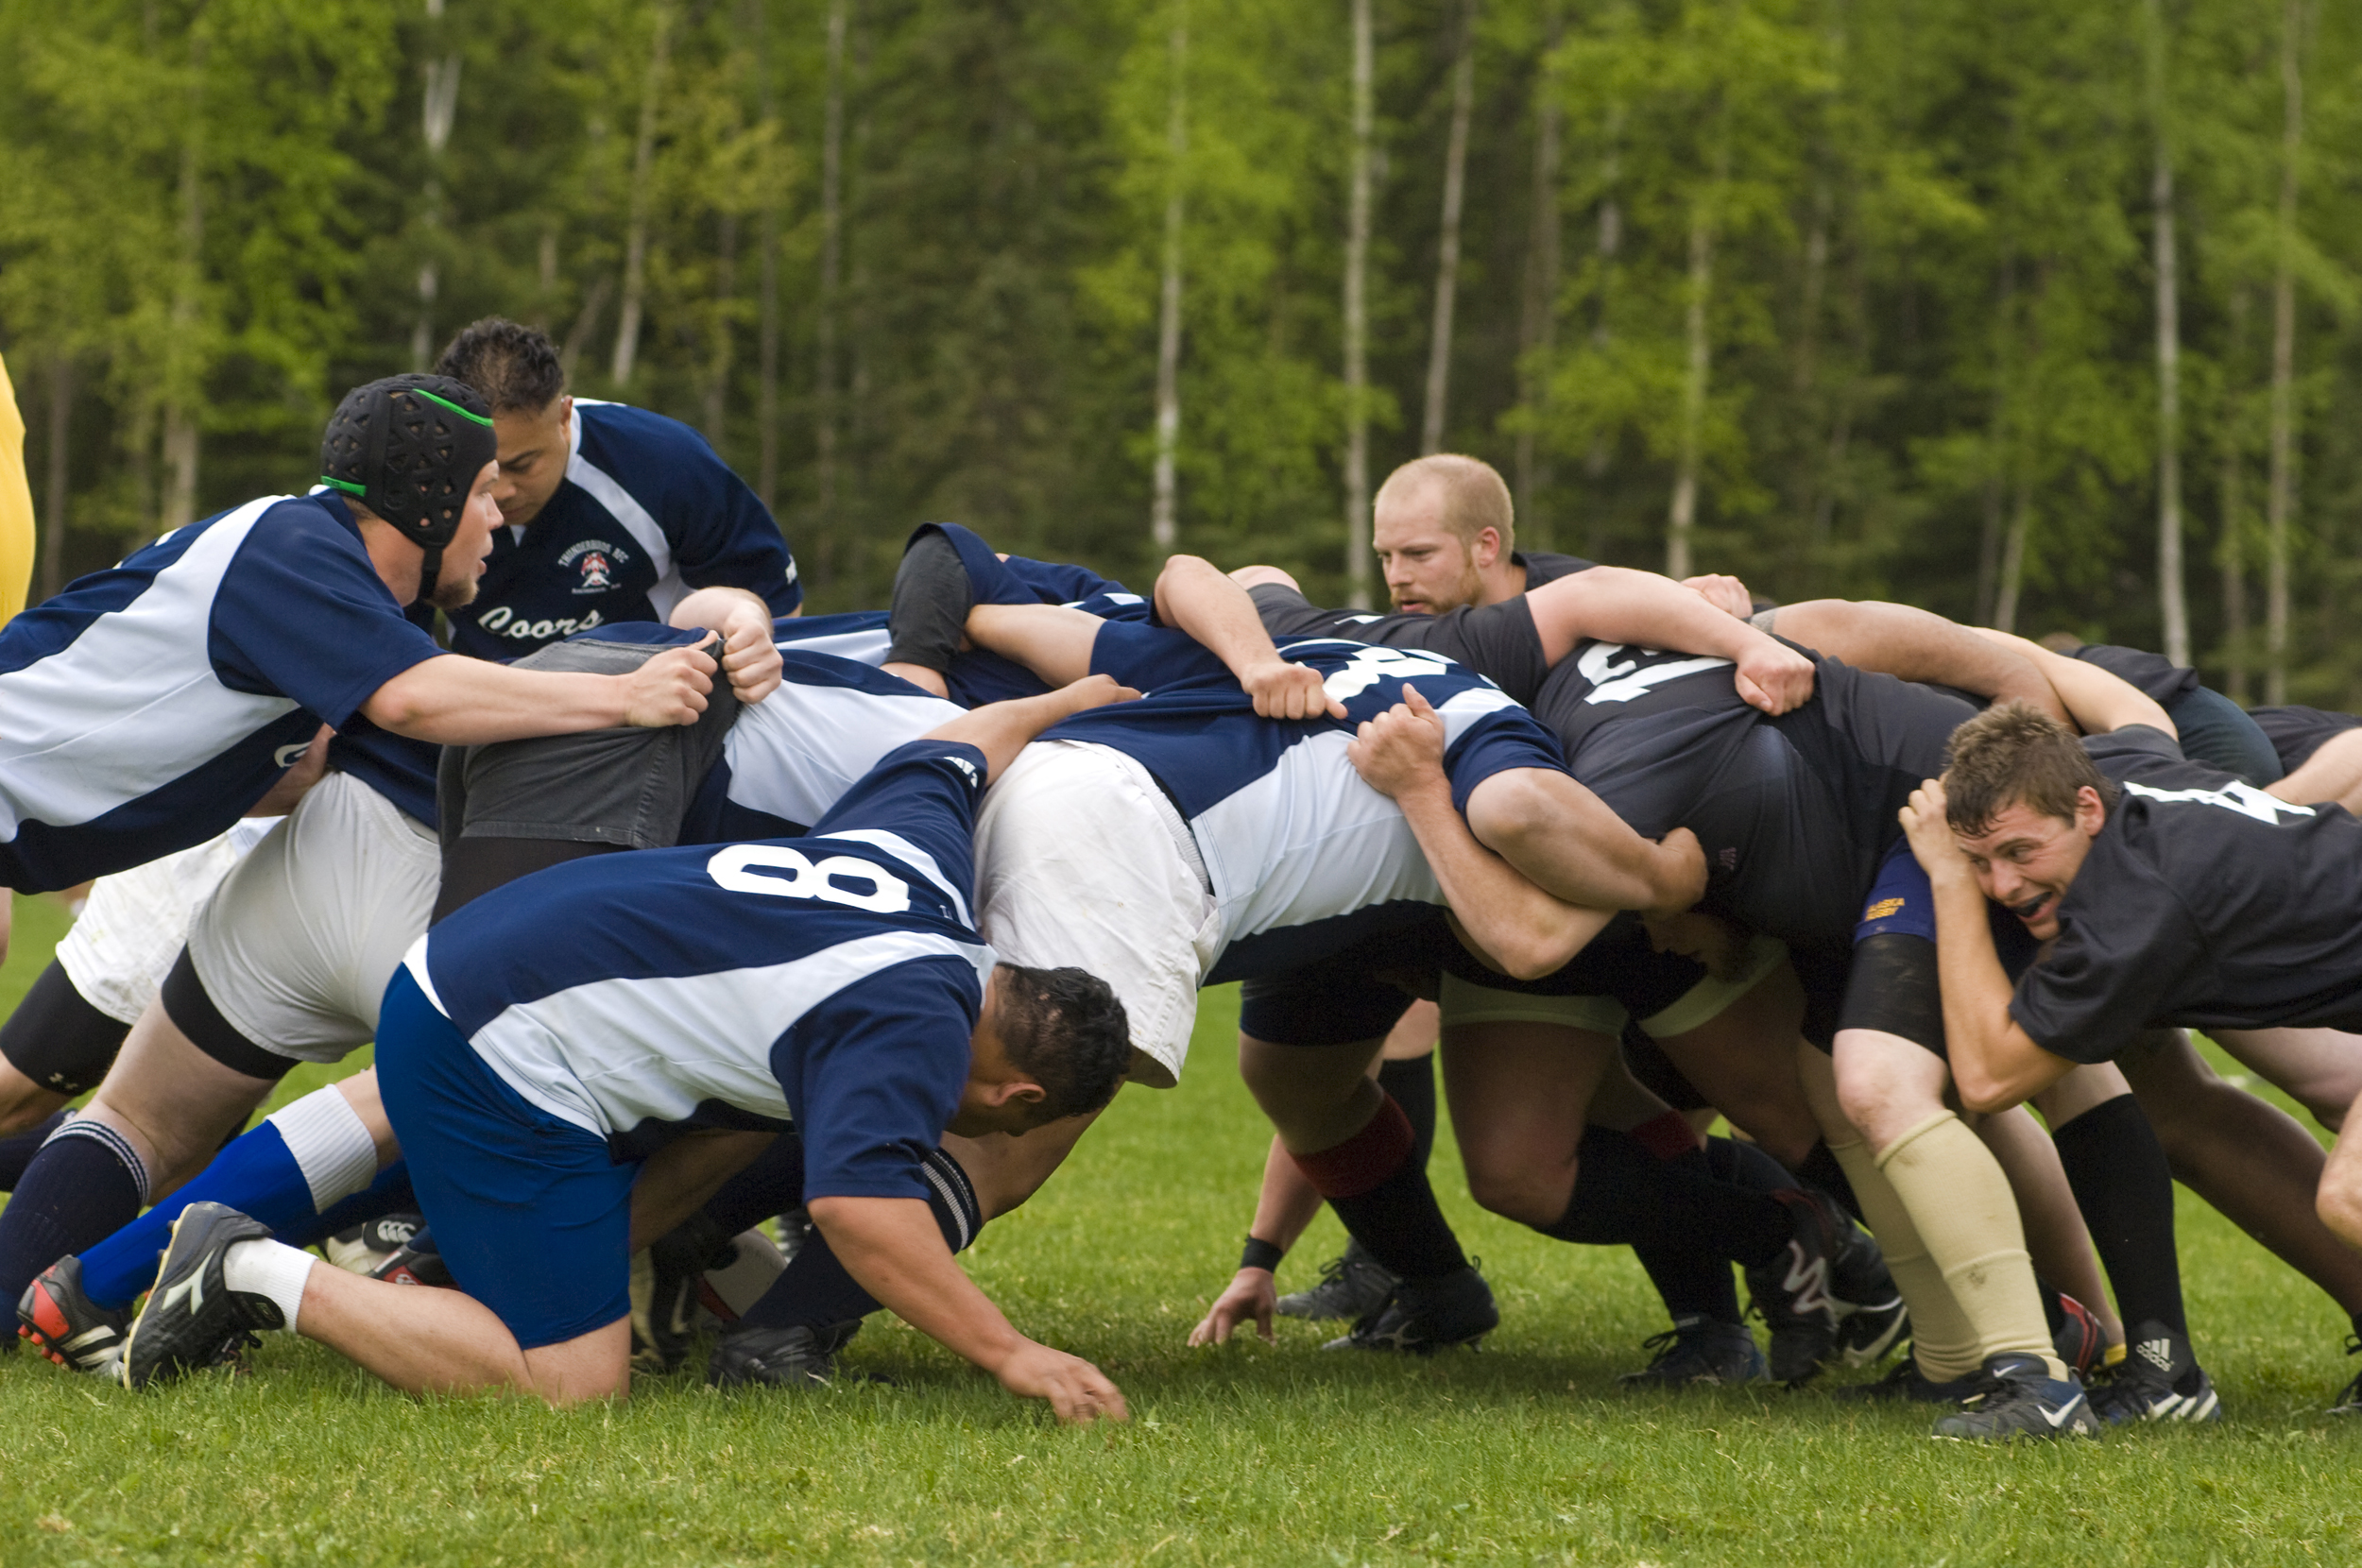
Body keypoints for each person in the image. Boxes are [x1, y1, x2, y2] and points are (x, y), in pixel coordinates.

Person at [111, 683, 1138, 1418]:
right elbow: (862, 1213)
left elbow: (963, 740)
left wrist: (1074, 697)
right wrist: (1016, 1355)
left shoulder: (926, 879)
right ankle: (246, 1268)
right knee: (571, 1382)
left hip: (491, 958)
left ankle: (443, 1278)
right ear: (1017, 1093)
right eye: (997, 1124)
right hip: (493, 1046)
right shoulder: (915, 1030)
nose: (962, 1129)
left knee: (745, 1119)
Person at [0, 375, 719, 1355]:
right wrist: (624, 696)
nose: (498, 521)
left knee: (145, 1116)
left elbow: (260, 759)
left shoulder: (309, 565)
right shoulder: (296, 552)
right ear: (426, 504)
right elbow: (414, 699)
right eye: (481, 495)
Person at [1897, 696, 2362, 1414]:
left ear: (2086, 809)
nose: (2004, 885)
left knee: (2350, 1195)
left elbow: (1988, 1080)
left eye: (2020, 852)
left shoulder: (2137, 908)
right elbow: (2132, 713)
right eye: (1979, 861)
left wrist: (1950, 880)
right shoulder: (2113, 767)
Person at [432, 318, 800, 659]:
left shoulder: (666, 462)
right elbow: (402, 645)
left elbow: (774, 611)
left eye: (523, 465)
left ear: (563, 417)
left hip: (651, 694)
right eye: (478, 470)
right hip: (485, 698)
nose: (500, 493)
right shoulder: (418, 479)